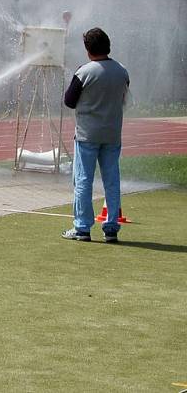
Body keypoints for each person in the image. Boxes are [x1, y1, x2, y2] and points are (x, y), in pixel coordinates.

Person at [61, 27, 129, 243]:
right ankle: (111, 228)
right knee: (112, 180)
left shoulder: (85, 72)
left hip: (87, 134)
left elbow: (69, 101)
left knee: (83, 180)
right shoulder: (122, 71)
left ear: (88, 50)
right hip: (112, 133)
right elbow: (124, 95)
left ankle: (82, 227)